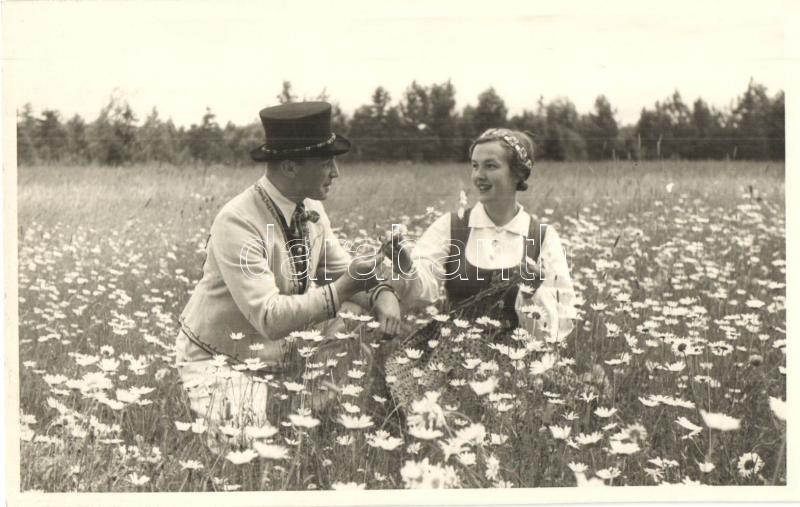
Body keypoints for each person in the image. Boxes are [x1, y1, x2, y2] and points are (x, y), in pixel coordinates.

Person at [174, 102, 401, 450]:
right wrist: (344, 288)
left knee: (354, 318)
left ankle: (311, 416)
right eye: (326, 162)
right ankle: (264, 412)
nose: (336, 172)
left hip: (277, 358)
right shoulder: (238, 221)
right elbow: (269, 317)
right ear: (290, 165)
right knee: (246, 455)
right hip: (221, 359)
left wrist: (382, 293)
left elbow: (342, 270)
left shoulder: (310, 208)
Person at [381, 128, 579, 408]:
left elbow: (554, 328)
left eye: (490, 166)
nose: (479, 175)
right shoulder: (453, 226)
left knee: (550, 407)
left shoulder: (541, 236)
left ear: (518, 174)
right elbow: (423, 287)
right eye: (475, 166)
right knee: (433, 407)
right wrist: (404, 264)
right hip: (452, 349)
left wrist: (530, 293)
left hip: (518, 354)